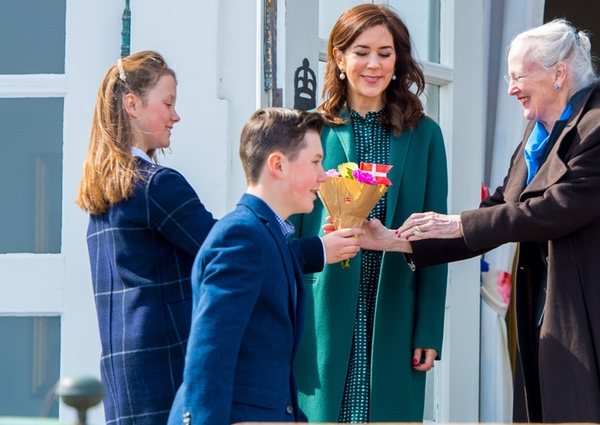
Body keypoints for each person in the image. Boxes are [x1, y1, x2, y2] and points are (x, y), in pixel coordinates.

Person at [362, 19, 600, 425]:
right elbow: (500, 207)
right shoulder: (538, 132)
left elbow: (552, 210)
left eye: (518, 76)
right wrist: (398, 240)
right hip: (563, 305)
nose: (511, 88)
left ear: (558, 74)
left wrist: (457, 223)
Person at [76, 52, 360, 425]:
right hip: (168, 367)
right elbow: (232, 248)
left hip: (124, 376)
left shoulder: (105, 189)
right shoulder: (155, 184)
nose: (175, 116)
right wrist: (318, 250)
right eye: (168, 103)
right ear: (133, 104)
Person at [290, 3, 449, 423]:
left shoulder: (426, 135)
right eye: (361, 52)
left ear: (398, 61)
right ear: (339, 58)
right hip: (323, 304)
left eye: (385, 52)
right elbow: (285, 229)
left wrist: (429, 327)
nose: (373, 64)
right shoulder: (309, 129)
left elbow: (438, 234)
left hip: (396, 303)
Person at [168, 108, 356, 425]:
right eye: (315, 162)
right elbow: (210, 351)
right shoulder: (241, 237)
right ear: (278, 165)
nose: (324, 175)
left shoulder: (266, 235)